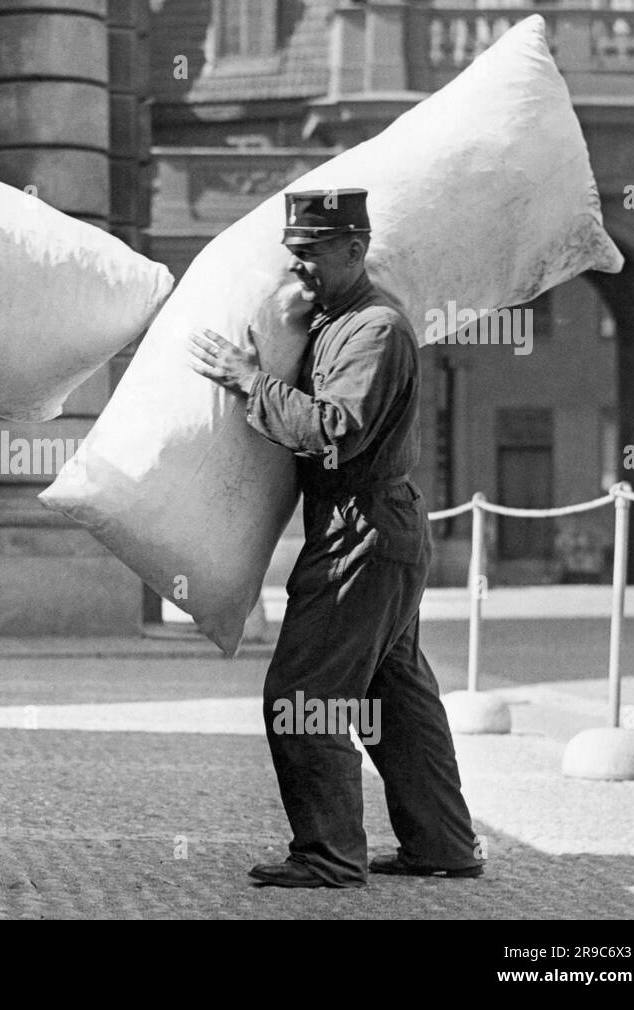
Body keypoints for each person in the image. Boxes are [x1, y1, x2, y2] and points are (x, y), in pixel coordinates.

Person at [187, 188, 483, 888]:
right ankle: (442, 843)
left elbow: (332, 432)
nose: (301, 270)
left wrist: (248, 379)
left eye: (313, 254)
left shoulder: (374, 330)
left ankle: (327, 854)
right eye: (294, 257)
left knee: (302, 692)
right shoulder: (335, 322)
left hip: (362, 533)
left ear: (356, 248)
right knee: (393, 700)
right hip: (378, 532)